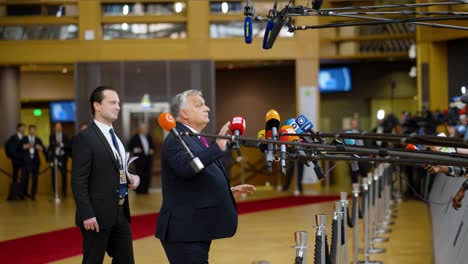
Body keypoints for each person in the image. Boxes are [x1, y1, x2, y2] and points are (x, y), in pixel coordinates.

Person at [155, 89, 256, 264]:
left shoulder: (194, 138)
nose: (207, 108)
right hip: (183, 232)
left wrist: (227, 191)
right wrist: (217, 148)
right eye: (200, 105)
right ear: (184, 113)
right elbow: (188, 168)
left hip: (196, 228)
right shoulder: (175, 139)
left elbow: (198, 177)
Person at [71, 86, 140, 263]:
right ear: (97, 106)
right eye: (112, 102)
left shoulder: (116, 136)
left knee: (126, 260)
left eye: (118, 103)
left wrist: (132, 178)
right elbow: (78, 180)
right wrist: (87, 213)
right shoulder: (85, 138)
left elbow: (119, 167)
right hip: (97, 215)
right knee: (93, 260)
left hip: (121, 212)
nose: (117, 106)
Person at [20, 124, 46, 200]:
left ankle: (33, 195)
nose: (32, 131)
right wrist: (25, 146)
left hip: (35, 162)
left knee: (35, 179)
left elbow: (43, 148)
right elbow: (19, 147)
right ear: (29, 130)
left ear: (35, 131)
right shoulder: (24, 139)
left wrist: (40, 147)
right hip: (26, 161)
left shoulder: (38, 139)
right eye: (31, 130)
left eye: (34, 130)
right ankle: (23, 194)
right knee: (24, 178)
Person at [128, 123, 155, 194]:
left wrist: (152, 150)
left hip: (148, 160)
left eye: (146, 129)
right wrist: (137, 150)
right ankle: (139, 190)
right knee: (139, 175)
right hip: (139, 161)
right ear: (140, 129)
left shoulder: (149, 137)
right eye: (144, 129)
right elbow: (130, 147)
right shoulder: (135, 137)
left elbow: (152, 146)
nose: (146, 130)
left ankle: (146, 190)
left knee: (147, 175)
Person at [48, 122, 71, 197]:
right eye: (56, 127)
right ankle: (55, 192)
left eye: (59, 127)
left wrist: (63, 144)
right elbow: (50, 146)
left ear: (61, 128)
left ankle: (64, 192)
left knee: (64, 175)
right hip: (55, 158)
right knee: (54, 176)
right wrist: (56, 145)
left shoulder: (65, 136)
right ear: (55, 128)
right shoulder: (51, 136)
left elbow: (69, 146)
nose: (57, 128)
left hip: (63, 158)